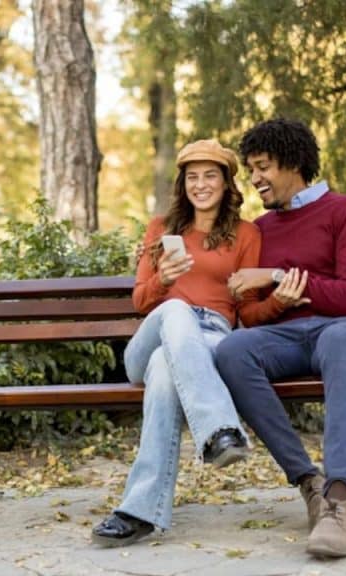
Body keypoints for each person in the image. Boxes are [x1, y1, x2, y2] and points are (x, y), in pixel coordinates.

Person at [216, 118, 346, 558]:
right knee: (231, 350)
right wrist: (277, 303)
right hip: (288, 336)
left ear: (292, 163)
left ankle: (342, 498)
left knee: (339, 339)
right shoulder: (259, 229)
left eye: (263, 166)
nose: (254, 179)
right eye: (251, 169)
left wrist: (278, 277)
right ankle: (310, 484)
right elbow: (250, 316)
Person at [91, 139, 262, 547]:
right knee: (176, 311)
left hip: (211, 342)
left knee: (168, 374)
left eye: (210, 176)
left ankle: (137, 512)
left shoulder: (246, 234)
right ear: (182, 183)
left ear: (226, 183)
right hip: (154, 336)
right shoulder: (161, 229)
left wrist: (258, 288)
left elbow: (250, 311)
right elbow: (140, 301)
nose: (200, 184)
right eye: (192, 177)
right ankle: (220, 430)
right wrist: (164, 280)